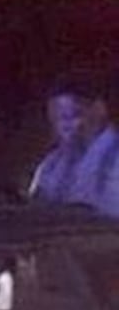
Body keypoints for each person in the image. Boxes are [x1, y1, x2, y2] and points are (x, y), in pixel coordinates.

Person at [29, 76, 119, 219]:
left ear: (99, 109)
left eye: (70, 116)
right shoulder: (51, 163)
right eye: (55, 120)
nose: (64, 127)